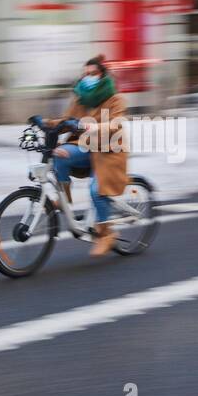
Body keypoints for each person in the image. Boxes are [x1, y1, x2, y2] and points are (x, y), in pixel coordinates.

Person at [47, 55, 128, 257]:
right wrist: (46, 123)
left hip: (108, 150)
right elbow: (67, 120)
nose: (88, 78)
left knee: (96, 191)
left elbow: (117, 124)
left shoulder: (115, 99)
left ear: (102, 75)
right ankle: (65, 197)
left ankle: (106, 234)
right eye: (85, 74)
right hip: (85, 145)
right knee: (60, 155)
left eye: (92, 74)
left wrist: (96, 126)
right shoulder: (80, 97)